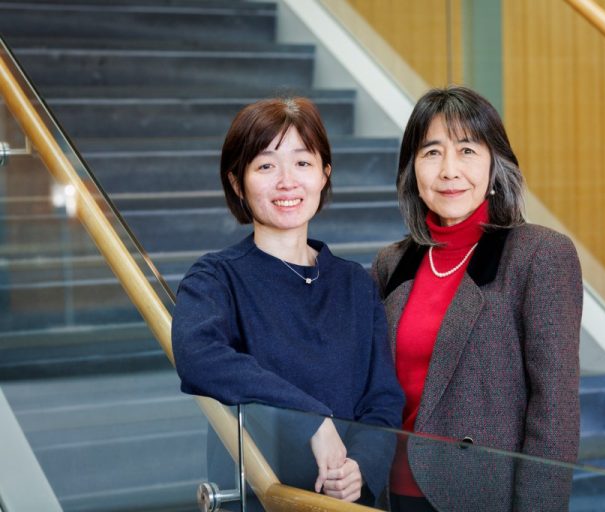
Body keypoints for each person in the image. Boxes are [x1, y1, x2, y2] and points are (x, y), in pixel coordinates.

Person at [171, 97, 404, 508]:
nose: (287, 181)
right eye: (265, 166)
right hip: (258, 499)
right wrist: (313, 421)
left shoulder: (354, 281)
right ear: (237, 183)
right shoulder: (216, 278)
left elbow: (382, 397)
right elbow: (198, 356)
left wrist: (360, 468)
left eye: (302, 162)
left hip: (342, 502)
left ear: (324, 174)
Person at [371, 86, 582, 512]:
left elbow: (555, 410)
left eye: (467, 150)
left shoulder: (538, 254)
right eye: (432, 152)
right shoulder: (391, 262)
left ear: (494, 164)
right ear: (412, 170)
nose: (449, 170)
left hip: (478, 496)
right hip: (389, 491)